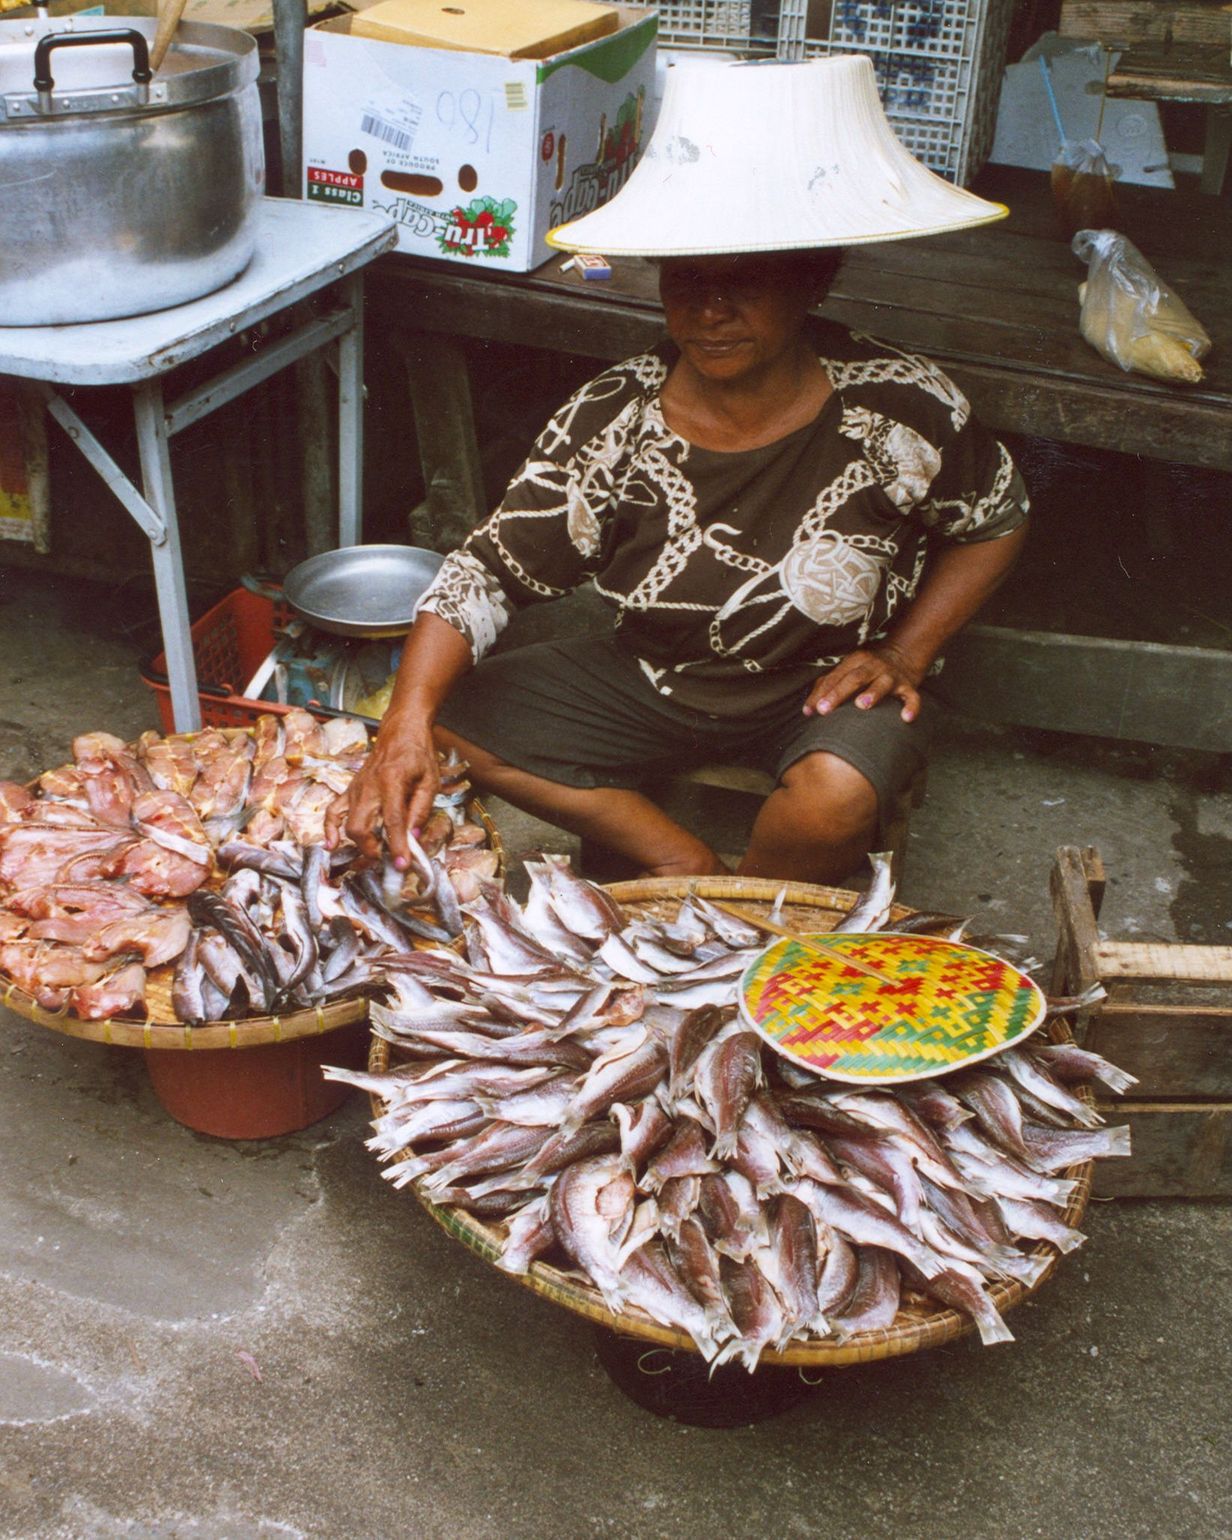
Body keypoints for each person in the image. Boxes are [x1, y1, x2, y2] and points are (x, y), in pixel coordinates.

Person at [326, 57, 1028, 885]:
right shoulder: (615, 418)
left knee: (833, 798)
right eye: (686, 281)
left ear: (815, 278)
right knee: (440, 719)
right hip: (651, 681)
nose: (708, 311)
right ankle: (683, 865)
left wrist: (908, 653)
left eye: (745, 283)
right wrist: (407, 719)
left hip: (823, 689)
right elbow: (484, 575)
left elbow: (997, 519)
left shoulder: (901, 408)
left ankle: (746, 909)